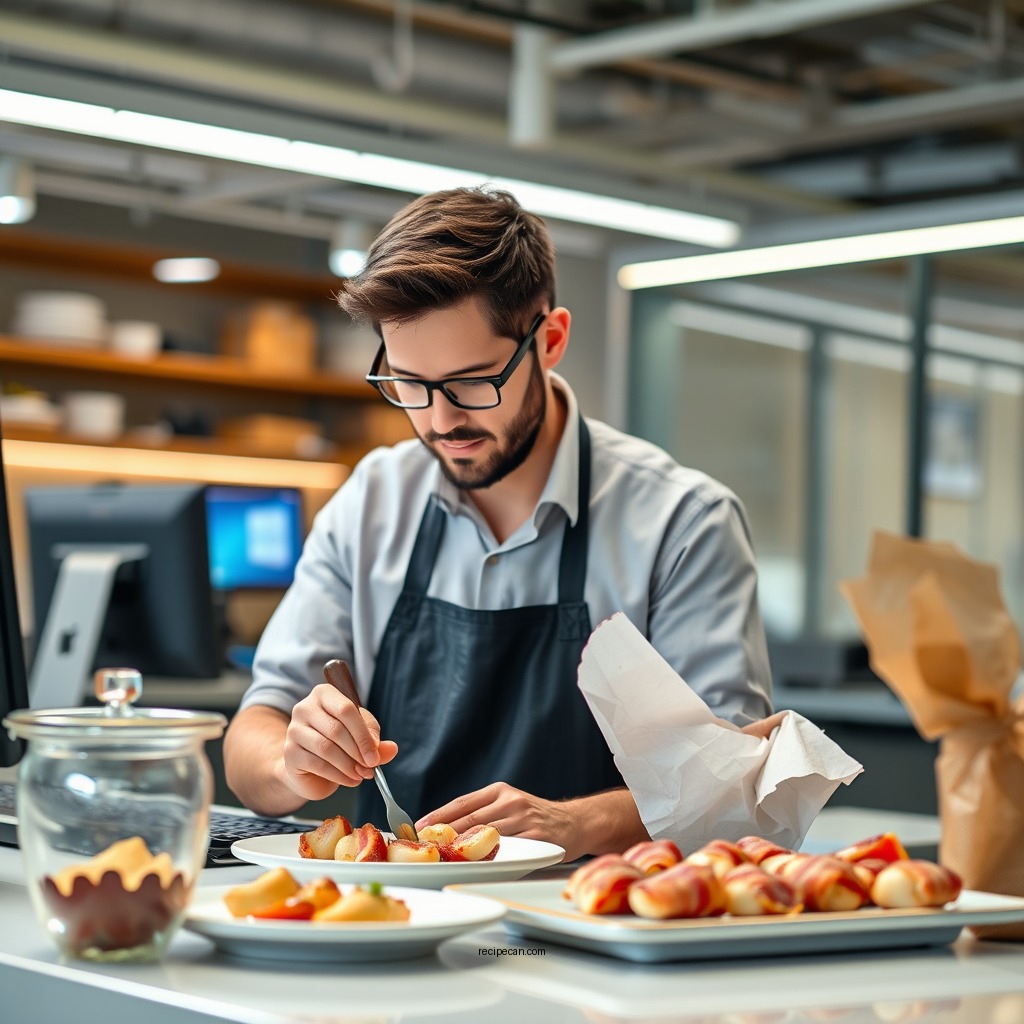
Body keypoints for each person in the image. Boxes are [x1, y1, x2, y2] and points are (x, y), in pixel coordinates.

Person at [223, 186, 773, 861]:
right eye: (409, 384)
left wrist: (575, 824)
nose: (439, 420)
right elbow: (254, 732)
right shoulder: (372, 502)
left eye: (472, 382)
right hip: (393, 922)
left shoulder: (682, 524)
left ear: (550, 341)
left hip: (595, 926)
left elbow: (735, 784)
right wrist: (289, 762)